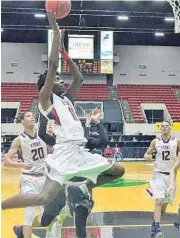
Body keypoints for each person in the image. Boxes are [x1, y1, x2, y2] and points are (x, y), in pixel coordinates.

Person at [1, 12, 125, 212]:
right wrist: (54, 29)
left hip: (80, 151)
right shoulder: (46, 100)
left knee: (119, 170)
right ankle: (2, 205)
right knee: (43, 198)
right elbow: (52, 65)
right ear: (46, 86)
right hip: (64, 152)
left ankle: (84, 186)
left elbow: (79, 79)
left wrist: (65, 53)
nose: (61, 80)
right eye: (57, 79)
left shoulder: (67, 99)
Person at [14, 108, 110, 238]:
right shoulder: (60, 143)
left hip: (80, 192)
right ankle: (24, 230)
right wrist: (44, 114)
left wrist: (98, 122)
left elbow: (104, 142)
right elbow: (42, 134)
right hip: (59, 190)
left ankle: (55, 226)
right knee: (45, 220)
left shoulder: (86, 142)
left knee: (80, 226)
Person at [4, 111, 48, 238]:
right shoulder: (19, 140)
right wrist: (22, 165)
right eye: (28, 116)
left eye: (33, 116)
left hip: (44, 179)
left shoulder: (41, 136)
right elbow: (7, 162)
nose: (32, 117)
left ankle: (21, 231)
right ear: (22, 121)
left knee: (48, 215)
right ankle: (25, 231)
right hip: (29, 179)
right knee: (29, 215)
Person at [144, 121, 180, 238]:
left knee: (164, 205)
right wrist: (152, 156)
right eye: (163, 126)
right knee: (159, 201)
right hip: (159, 174)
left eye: (167, 126)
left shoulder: (177, 141)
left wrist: (177, 158)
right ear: (160, 129)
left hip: (171, 176)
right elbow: (146, 155)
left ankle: (154, 224)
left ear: (171, 127)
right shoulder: (156, 141)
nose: (165, 127)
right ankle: (156, 227)